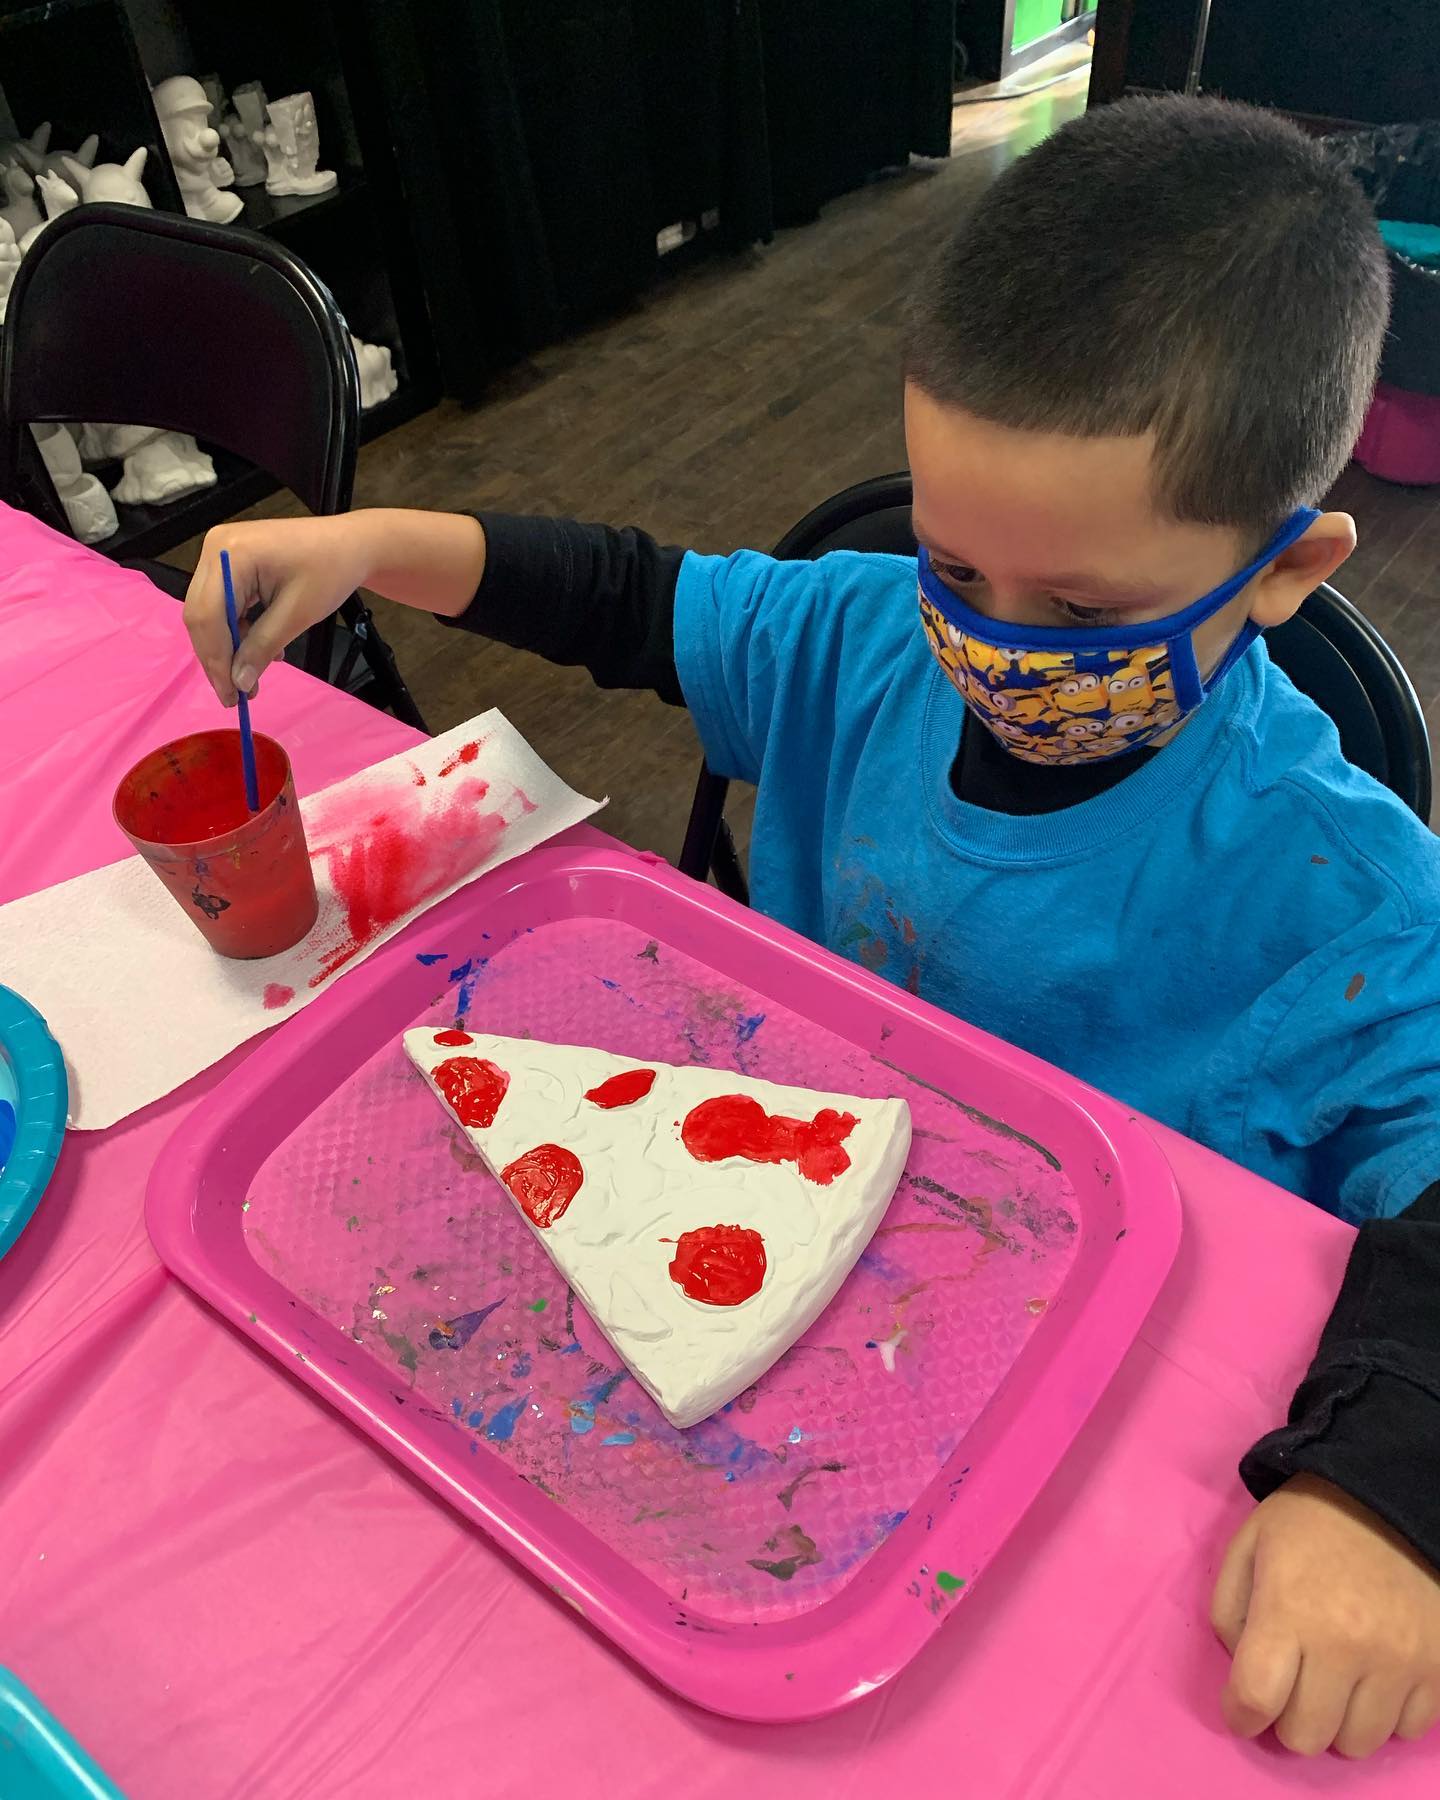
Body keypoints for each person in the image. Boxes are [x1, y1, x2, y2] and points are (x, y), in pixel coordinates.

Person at [184, 97, 1440, 1759]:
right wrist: (370, 545)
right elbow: (629, 597)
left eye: (1080, 612)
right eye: (952, 563)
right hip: (737, 1286)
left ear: (1286, 572)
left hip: (1058, 1411)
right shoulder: (863, 641)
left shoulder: (1350, 902)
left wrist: (1384, 1496)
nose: (989, 645)